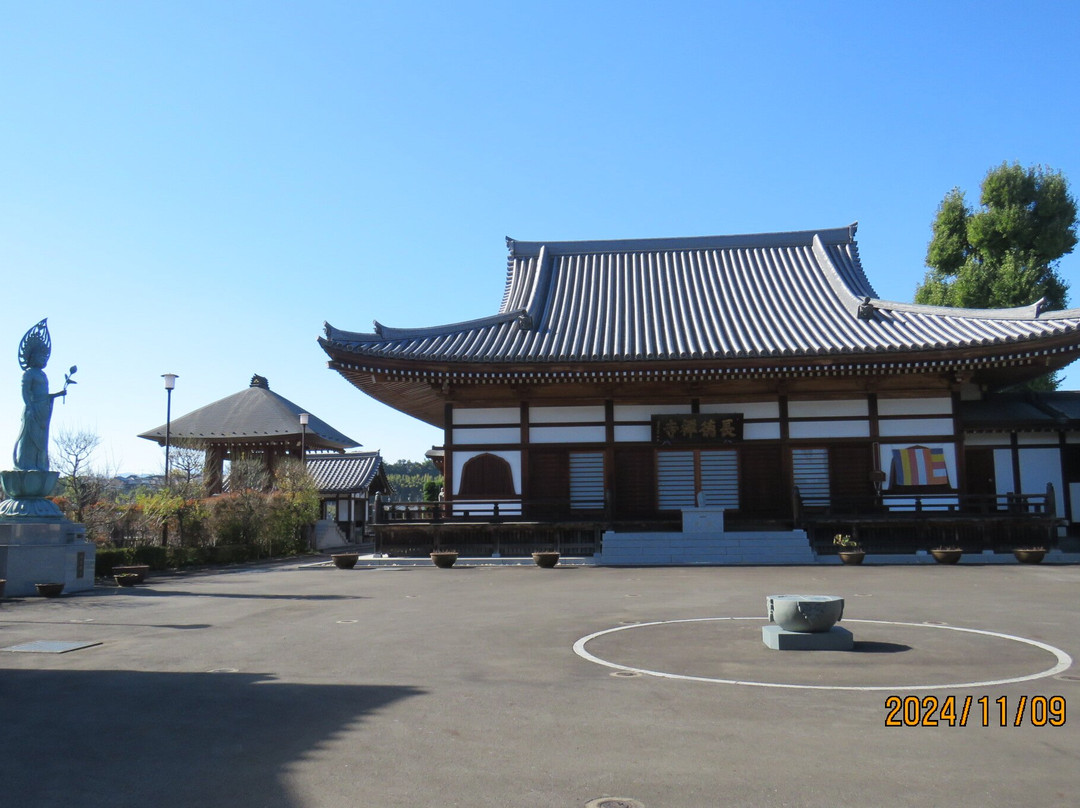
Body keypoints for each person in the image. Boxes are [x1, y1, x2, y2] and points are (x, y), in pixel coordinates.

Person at [13, 319, 66, 472]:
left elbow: (45, 394)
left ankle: (39, 465)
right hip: (33, 408)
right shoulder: (28, 373)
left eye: (44, 357)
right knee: (29, 438)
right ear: (31, 356)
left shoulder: (43, 374)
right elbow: (25, 391)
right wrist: (29, 407)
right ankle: (25, 465)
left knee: (42, 440)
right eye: (39, 356)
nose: (43, 359)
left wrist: (58, 394)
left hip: (43, 410)